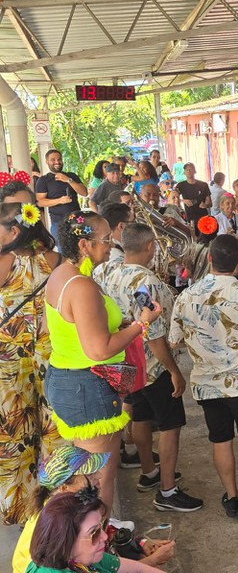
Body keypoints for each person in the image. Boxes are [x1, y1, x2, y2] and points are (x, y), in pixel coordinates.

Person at [43, 211, 162, 514]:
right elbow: (98, 349)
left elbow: (70, 327)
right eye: (106, 240)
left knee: (85, 473)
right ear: (84, 244)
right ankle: (100, 545)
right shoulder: (80, 286)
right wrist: (141, 324)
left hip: (69, 379)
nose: (112, 245)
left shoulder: (61, 273)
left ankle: (91, 540)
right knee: (99, 478)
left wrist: (116, 324)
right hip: (88, 385)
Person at [169, 234, 238, 523]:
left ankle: (231, 497)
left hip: (208, 383)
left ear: (209, 259)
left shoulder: (186, 296)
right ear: (237, 261)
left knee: (221, 440)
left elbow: (175, 339)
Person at [92, 223, 202, 512]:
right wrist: (174, 371)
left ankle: (149, 471)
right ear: (150, 246)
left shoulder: (107, 272)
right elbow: (152, 335)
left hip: (124, 361)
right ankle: (167, 490)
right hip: (151, 365)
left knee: (139, 414)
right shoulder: (145, 282)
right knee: (170, 425)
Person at [13, 444, 176, 572]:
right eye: (90, 475)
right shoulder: (57, 530)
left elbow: (103, 533)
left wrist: (140, 542)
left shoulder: (67, 510)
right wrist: (152, 561)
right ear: (64, 488)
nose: (99, 476)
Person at [0, 202, 62, 525]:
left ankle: (22, 510)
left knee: (15, 437)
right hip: (48, 356)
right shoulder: (53, 260)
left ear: (14, 230)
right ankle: (55, 505)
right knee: (52, 431)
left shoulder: (2, 263)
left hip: (9, 365)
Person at [26, 491, 164, 573]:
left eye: (101, 526)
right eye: (94, 533)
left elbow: (137, 569)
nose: (104, 536)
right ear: (66, 540)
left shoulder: (78, 557)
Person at [35, 149, 88, 239]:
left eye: (59, 159)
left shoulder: (72, 176)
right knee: (63, 251)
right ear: (47, 162)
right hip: (58, 223)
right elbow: (40, 202)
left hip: (78, 220)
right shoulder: (43, 180)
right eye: (53, 160)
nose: (57, 162)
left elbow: (84, 193)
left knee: (82, 248)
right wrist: (59, 200)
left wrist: (68, 180)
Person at [176, 162, 212, 232]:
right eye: (187, 170)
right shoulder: (180, 185)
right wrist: (183, 201)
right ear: (184, 172)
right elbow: (172, 197)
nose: (189, 171)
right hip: (189, 217)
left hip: (203, 217)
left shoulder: (203, 185)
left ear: (195, 171)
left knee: (205, 237)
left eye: (191, 169)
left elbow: (210, 203)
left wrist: (205, 205)